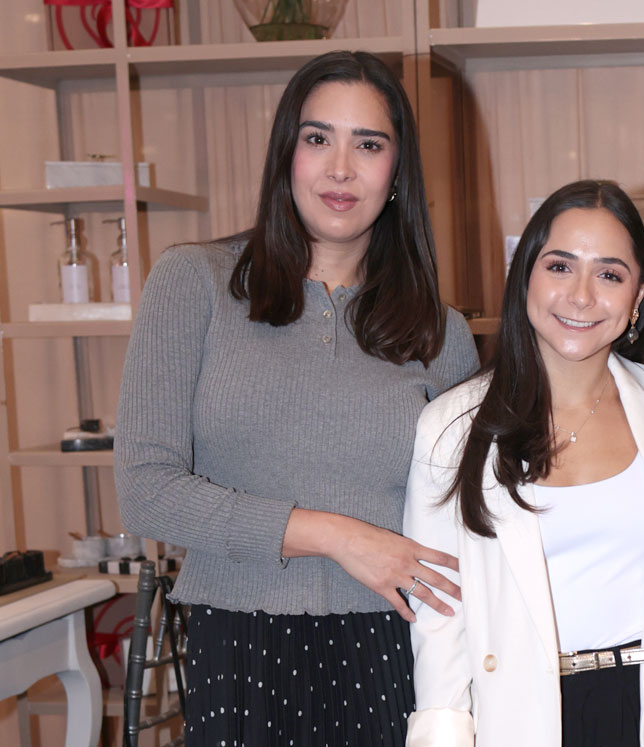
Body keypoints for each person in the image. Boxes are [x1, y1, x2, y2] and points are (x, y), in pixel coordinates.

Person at [115, 50, 478, 746]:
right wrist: (338, 536)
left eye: (368, 145)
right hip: (238, 648)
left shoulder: (442, 333)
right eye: (318, 139)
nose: (340, 168)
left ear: (397, 172)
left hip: (392, 647)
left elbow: (464, 520)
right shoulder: (194, 284)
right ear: (287, 154)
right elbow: (145, 490)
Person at [403, 180, 644, 747]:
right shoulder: (451, 427)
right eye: (560, 266)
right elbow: (439, 615)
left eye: (610, 274)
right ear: (526, 273)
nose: (581, 296)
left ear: (639, 294)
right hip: (519, 712)